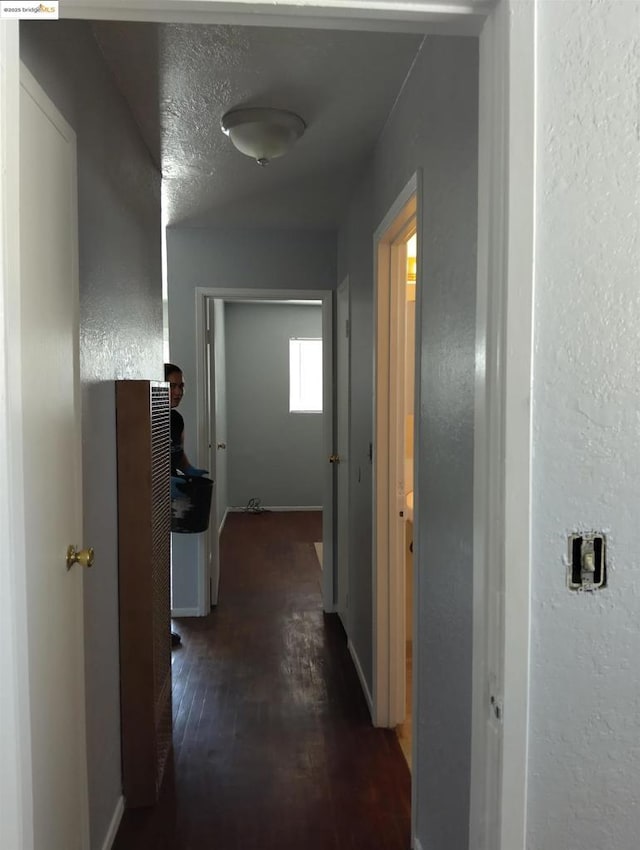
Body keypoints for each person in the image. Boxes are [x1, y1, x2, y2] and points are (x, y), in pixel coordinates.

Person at [164, 363, 208, 646]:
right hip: (150, 499)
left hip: (167, 499)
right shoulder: (148, 416)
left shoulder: (176, 420)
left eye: (182, 386)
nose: (179, 392)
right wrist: (163, 481)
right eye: (172, 386)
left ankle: (160, 626)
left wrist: (188, 470)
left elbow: (178, 455)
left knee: (161, 562)